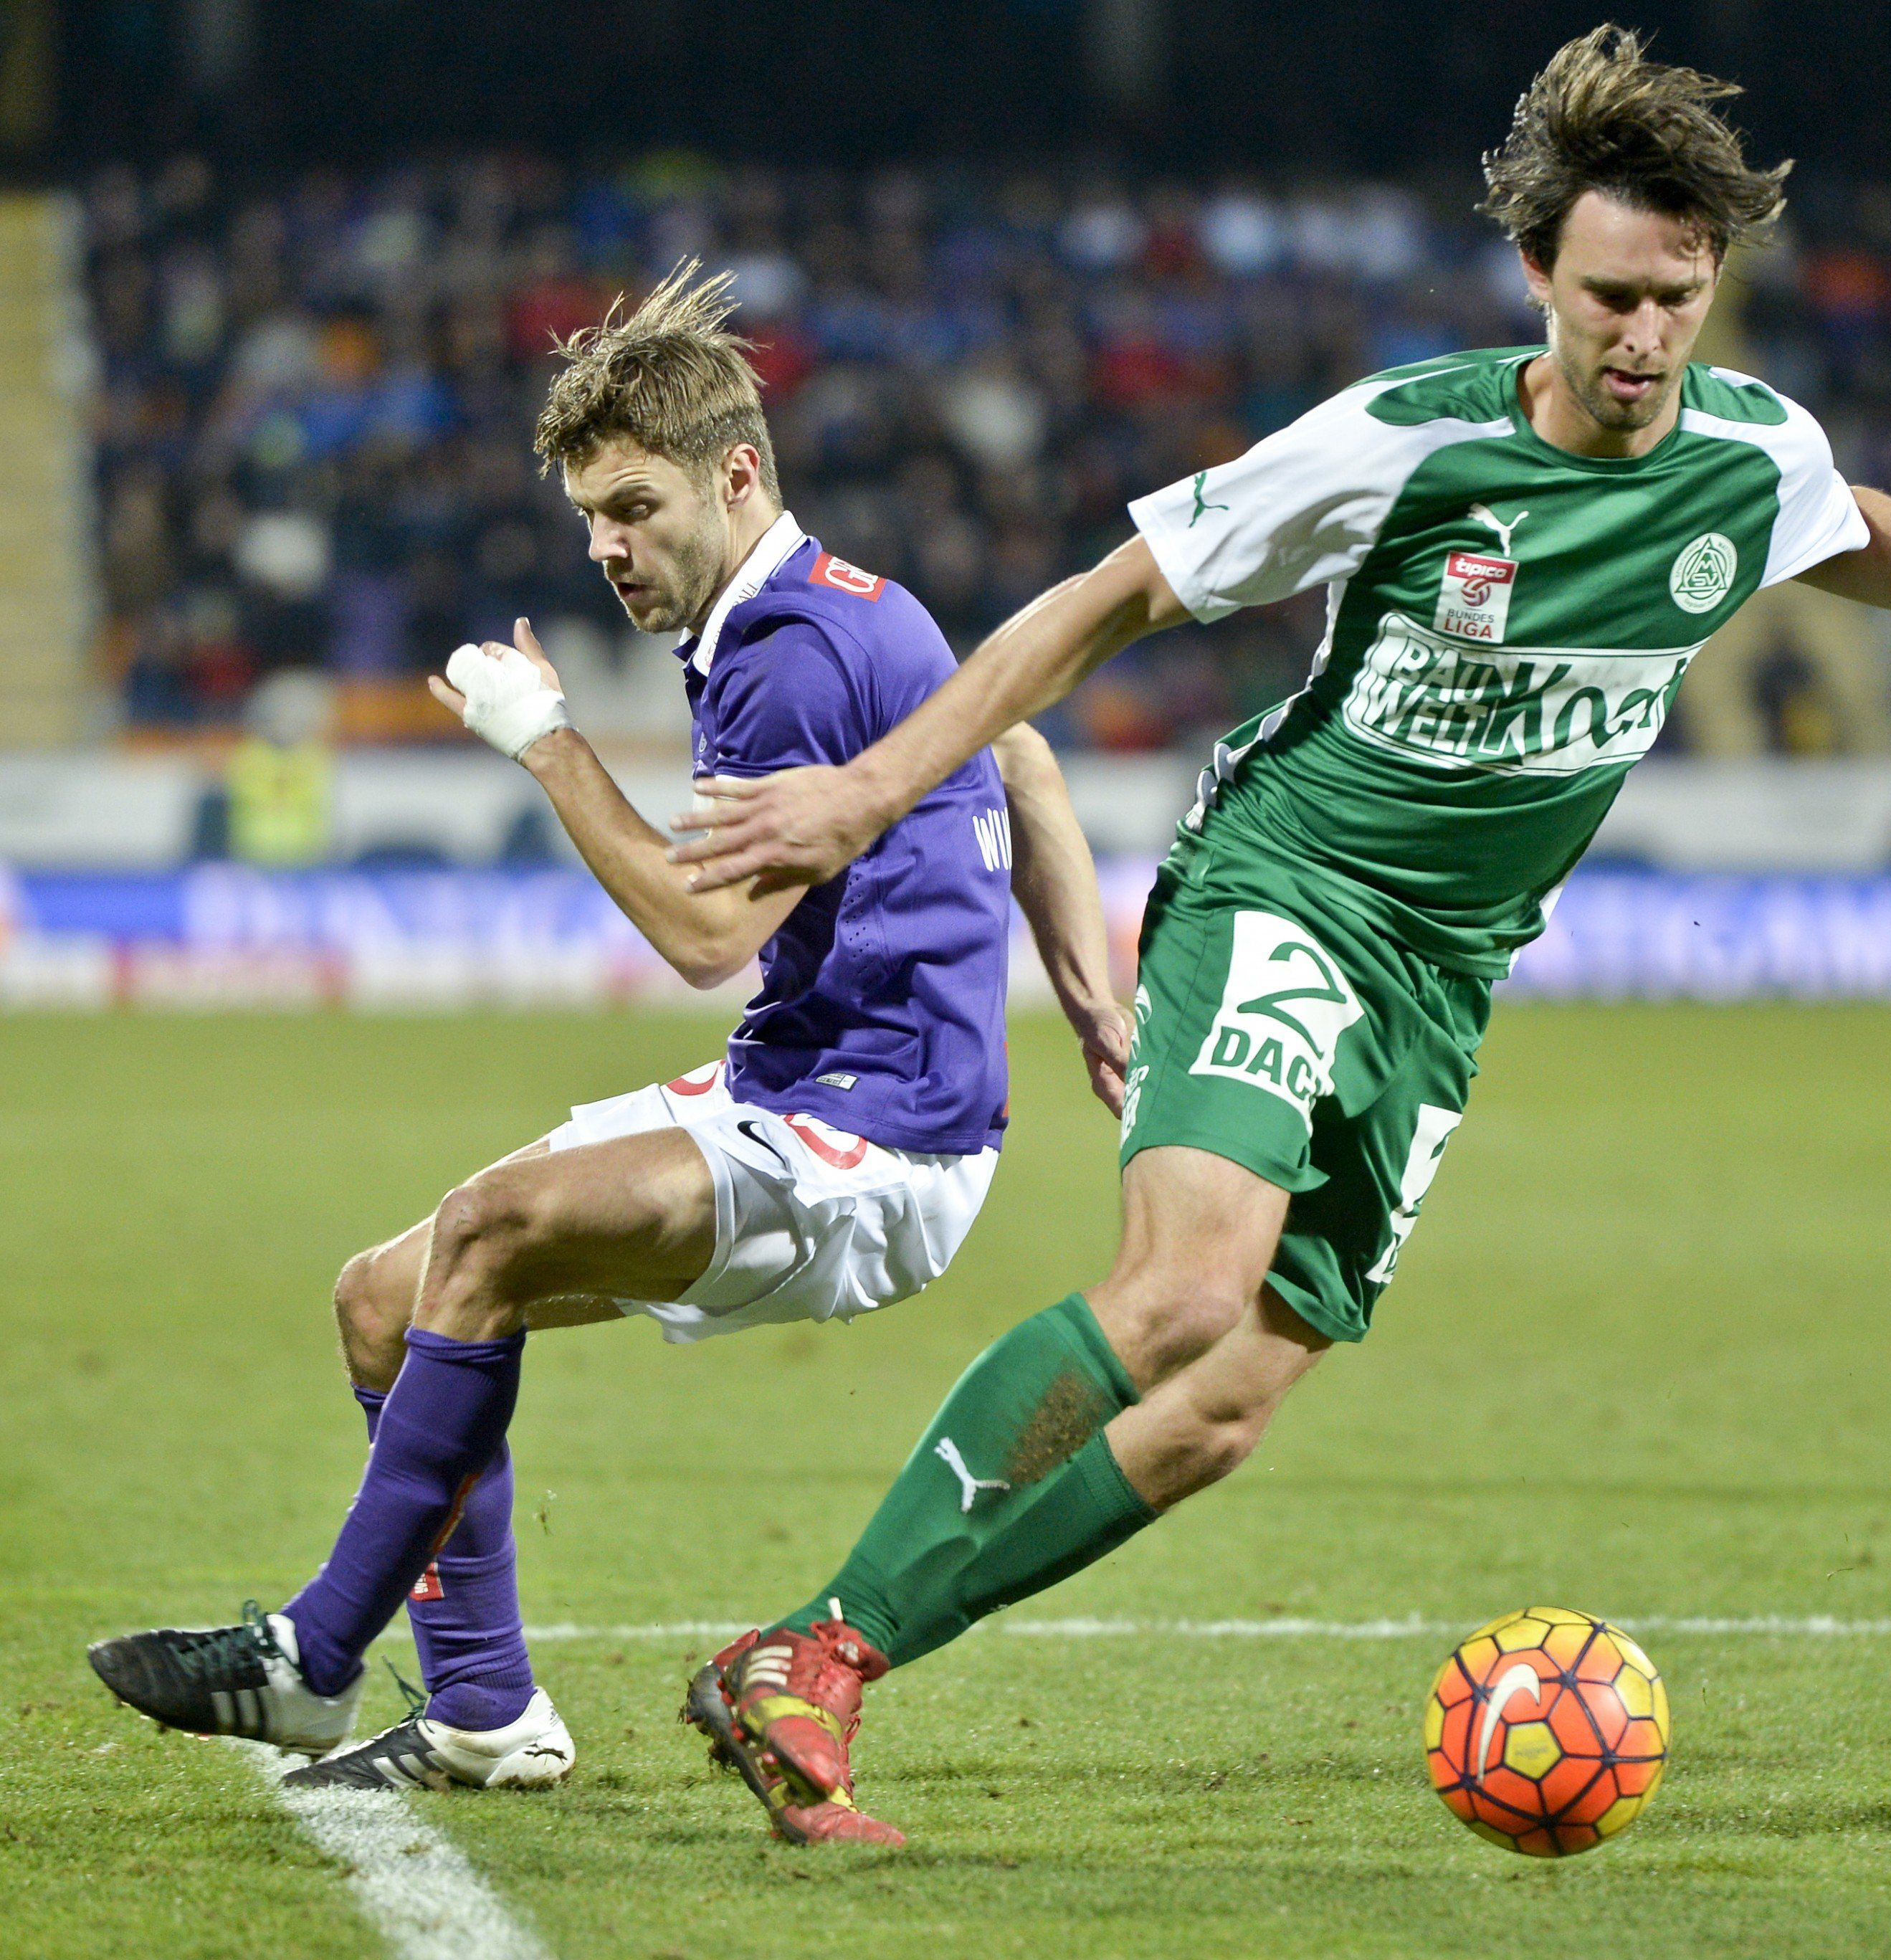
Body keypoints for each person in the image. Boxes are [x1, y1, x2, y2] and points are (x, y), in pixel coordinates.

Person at [662, 27, 1891, 1845]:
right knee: (1181, 1292)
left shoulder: (1753, 452)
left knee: (1224, 1407)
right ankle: (814, 1657)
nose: (1643, 336)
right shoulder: (1408, 438)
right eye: (1609, 294)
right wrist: (861, 792)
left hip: (1446, 980)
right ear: (1536, 274)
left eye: (1679, 298)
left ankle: (821, 1647)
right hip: (1288, 886)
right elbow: (1109, 598)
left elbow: (1846, 531)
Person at [87, 267, 1125, 1840]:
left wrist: (546, 743)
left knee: (492, 1231)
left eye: (634, 509)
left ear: (736, 476)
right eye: (589, 520)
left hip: (871, 1146)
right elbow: (1023, 745)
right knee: (390, 1288)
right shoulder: (851, 609)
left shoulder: (780, 652)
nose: (608, 549)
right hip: (792, 1089)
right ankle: (488, 1711)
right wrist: (1081, 980)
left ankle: (316, 1647)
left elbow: (704, 936)